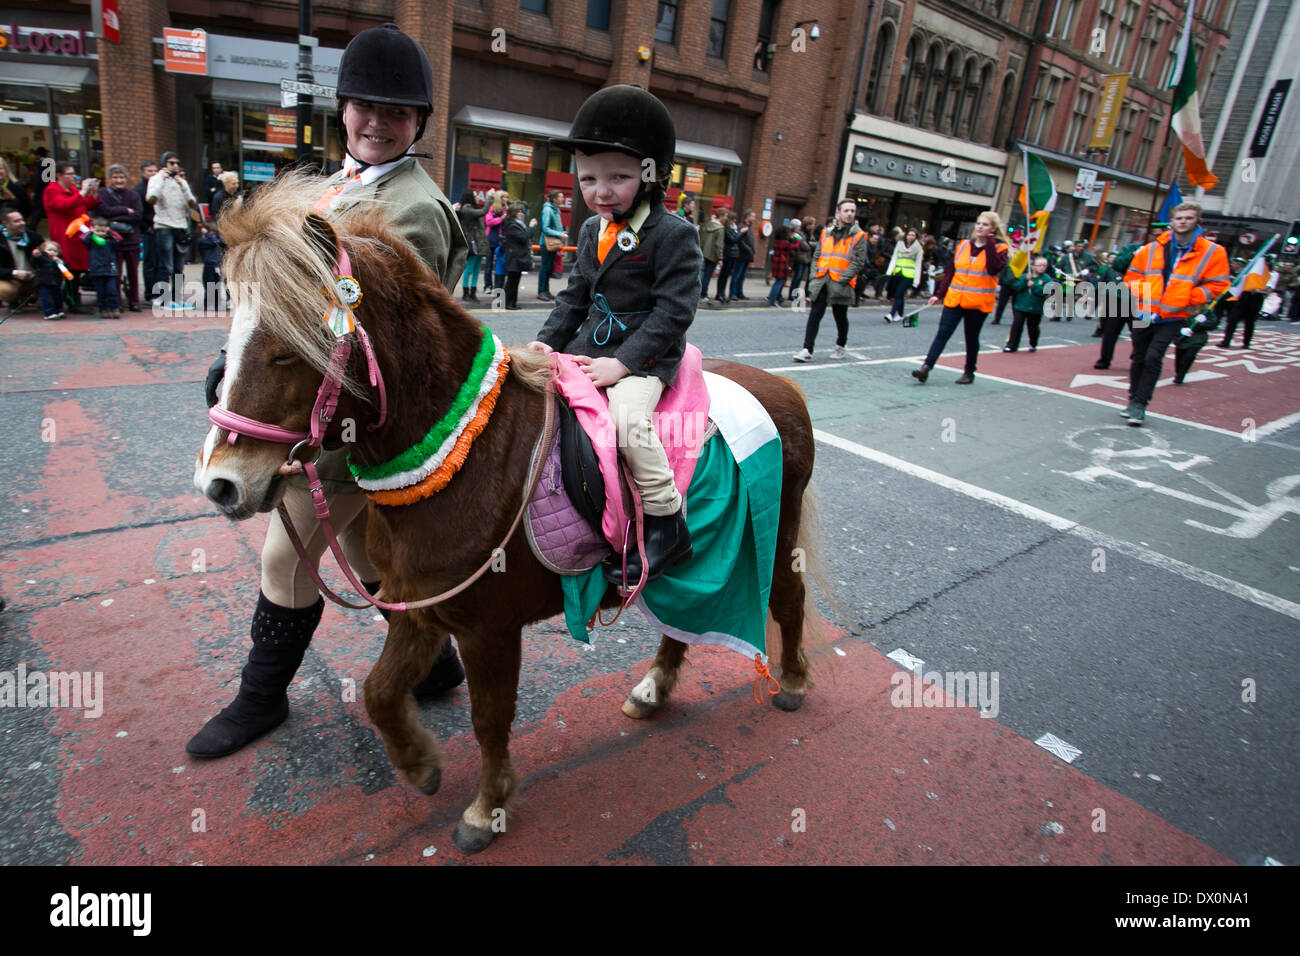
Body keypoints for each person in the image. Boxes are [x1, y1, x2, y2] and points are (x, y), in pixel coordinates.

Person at [188, 22, 469, 760]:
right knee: (361, 551)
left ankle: (259, 700)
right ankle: (437, 663)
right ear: (342, 106)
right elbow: (282, 303)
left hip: (347, 421)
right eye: (364, 105)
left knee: (286, 559)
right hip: (296, 403)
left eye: (397, 112)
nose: (377, 122)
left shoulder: (412, 209)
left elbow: (388, 345)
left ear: (419, 123)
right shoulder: (334, 185)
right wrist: (235, 364)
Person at [525, 83, 701, 584]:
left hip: (646, 357)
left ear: (651, 177)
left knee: (626, 418)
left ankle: (666, 521)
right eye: (588, 179)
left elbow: (673, 314)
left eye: (618, 177)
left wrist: (623, 365)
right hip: (589, 349)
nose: (600, 192)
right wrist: (547, 343)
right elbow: (574, 297)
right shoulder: (589, 231)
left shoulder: (674, 235)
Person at [1120, 201, 1229, 425]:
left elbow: (1218, 285)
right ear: (1172, 221)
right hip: (1144, 311)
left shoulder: (1213, 252)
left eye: (1189, 218)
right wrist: (1148, 295)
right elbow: (1131, 279)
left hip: (1174, 314)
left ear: (1197, 221)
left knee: (1153, 357)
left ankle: (1140, 404)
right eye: (1179, 218)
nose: (1183, 222)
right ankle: (1132, 400)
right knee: (1138, 356)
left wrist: (1188, 297)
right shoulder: (1151, 248)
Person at [911, 211, 1010, 385]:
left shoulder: (1000, 248)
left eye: (985, 224)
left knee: (971, 338)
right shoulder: (963, 245)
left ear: (993, 229)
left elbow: (994, 268)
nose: (980, 227)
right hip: (955, 299)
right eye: (979, 223)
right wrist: (938, 294)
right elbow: (950, 272)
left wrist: (990, 243)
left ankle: (969, 371)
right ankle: (926, 367)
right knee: (942, 334)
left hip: (977, 303)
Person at [792, 198, 866, 362]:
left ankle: (841, 345)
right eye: (846, 210)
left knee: (840, 316)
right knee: (815, 314)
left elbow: (858, 262)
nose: (849, 214)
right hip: (823, 280)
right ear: (838, 213)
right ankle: (807, 349)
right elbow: (817, 255)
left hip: (841, 282)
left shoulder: (859, 236)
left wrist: (844, 278)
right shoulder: (826, 232)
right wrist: (813, 276)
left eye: (852, 211)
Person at [42, 164, 100, 314]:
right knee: (68, 268)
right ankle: (72, 301)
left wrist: (93, 193)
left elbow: (88, 205)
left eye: (74, 173)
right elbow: (64, 206)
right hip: (65, 235)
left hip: (78, 235)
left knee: (78, 268)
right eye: (70, 173)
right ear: (59, 176)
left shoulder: (73, 190)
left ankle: (74, 299)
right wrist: (83, 192)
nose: (74, 176)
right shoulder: (51, 190)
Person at [146, 152, 198, 306]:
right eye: (171, 163)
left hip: (180, 226)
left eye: (177, 163)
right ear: (164, 165)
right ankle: (163, 297)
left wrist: (182, 185)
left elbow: (192, 202)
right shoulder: (156, 179)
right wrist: (162, 179)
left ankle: (176, 298)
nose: (175, 166)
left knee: (178, 267)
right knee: (165, 265)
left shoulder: (181, 181)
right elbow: (151, 198)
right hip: (164, 226)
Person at [95, 164, 144, 312]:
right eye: (115, 177)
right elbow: (103, 210)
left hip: (132, 240)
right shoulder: (103, 193)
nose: (119, 180)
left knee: (133, 274)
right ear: (110, 178)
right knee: (115, 273)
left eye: (121, 177)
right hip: (113, 241)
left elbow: (137, 215)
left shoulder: (133, 195)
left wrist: (115, 218)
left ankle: (134, 301)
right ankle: (116, 302)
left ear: (126, 178)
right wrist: (125, 210)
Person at [1220, 257, 1269, 349]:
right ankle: (1226, 341)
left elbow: (1268, 289)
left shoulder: (1267, 275)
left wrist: (1257, 288)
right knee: (1232, 320)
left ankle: (1246, 342)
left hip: (1256, 298)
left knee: (1249, 322)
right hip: (1243, 297)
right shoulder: (1247, 273)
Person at [1004, 256, 1050, 352]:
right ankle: (1011, 345)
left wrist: (1034, 286)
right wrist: (1025, 281)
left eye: (1044, 265)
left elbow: (1045, 292)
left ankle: (1033, 343)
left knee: (1033, 327)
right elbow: (1016, 287)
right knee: (1017, 325)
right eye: (1039, 265)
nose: (1042, 267)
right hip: (1021, 305)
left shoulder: (1046, 279)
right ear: (1032, 266)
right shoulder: (1025, 276)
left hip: (1035, 308)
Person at [0, 207, 43, 311]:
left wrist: (41, 256)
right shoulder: (1, 240)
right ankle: (13, 301)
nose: (22, 223)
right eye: (16, 221)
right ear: (6, 224)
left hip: (33, 276)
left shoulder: (33, 237)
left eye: (22, 220)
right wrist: (14, 273)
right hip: (10, 277)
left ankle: (38, 298)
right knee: (6, 290)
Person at [81, 216, 121, 318]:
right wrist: (91, 233)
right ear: (93, 229)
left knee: (112, 290)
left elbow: (119, 239)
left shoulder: (110, 240)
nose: (100, 233)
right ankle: (102, 309)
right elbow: (83, 239)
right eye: (98, 230)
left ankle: (115, 307)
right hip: (96, 269)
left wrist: (110, 232)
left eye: (103, 230)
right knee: (101, 291)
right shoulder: (90, 240)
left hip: (111, 268)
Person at [883, 227, 922, 323]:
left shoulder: (918, 249)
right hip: (898, 272)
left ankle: (891, 314)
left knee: (898, 294)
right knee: (899, 295)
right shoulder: (899, 245)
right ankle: (900, 314)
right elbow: (894, 258)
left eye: (913, 235)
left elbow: (918, 265)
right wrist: (889, 271)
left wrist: (916, 281)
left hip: (909, 275)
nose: (910, 237)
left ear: (916, 237)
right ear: (906, 235)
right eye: (909, 234)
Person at [455, 189, 487, 302]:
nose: (477, 197)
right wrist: (491, 199)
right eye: (475, 196)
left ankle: (473, 292)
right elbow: (483, 212)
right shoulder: (467, 209)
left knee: (476, 269)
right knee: (469, 268)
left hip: (479, 243)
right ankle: (466, 293)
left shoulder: (473, 209)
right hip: (472, 243)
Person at [502, 201, 533, 310]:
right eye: (519, 211)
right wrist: (531, 227)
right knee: (512, 282)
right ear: (514, 213)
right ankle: (508, 303)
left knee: (515, 281)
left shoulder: (517, 224)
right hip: (514, 257)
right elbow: (524, 238)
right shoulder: (512, 225)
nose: (521, 213)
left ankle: (512, 303)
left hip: (518, 257)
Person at [134, 161, 158, 300]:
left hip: (160, 229)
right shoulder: (139, 190)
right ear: (143, 173)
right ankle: (150, 293)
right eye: (150, 171)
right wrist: (146, 228)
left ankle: (159, 291)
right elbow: (139, 213)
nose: (153, 174)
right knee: (149, 263)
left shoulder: (159, 187)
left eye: (155, 171)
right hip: (148, 231)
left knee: (160, 264)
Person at [538, 189, 565, 301]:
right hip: (547, 244)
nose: (562, 199)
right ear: (554, 199)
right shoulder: (548, 210)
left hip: (553, 243)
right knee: (545, 268)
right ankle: (541, 291)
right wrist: (559, 234)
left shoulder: (555, 210)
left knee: (549, 268)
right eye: (560, 197)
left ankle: (546, 291)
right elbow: (545, 228)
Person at [32, 240, 67, 320]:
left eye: (55, 251)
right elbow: (34, 263)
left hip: (56, 283)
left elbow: (65, 267)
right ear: (43, 250)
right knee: (47, 298)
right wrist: (36, 256)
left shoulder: (58, 260)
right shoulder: (41, 258)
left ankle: (59, 311)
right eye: (49, 250)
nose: (52, 252)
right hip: (44, 282)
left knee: (58, 297)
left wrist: (62, 263)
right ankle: (49, 313)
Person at [484, 189, 506, 296]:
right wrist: (501, 219)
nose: (506, 199)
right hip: (491, 240)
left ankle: (498, 287)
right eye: (504, 197)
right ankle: (487, 285)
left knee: (499, 266)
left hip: (501, 241)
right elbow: (489, 222)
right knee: (489, 265)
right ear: (499, 199)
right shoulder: (492, 208)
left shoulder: (506, 209)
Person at [699, 207, 724, 301]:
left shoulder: (708, 224)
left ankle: (699, 292)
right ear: (721, 216)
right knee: (708, 275)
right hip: (712, 255)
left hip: (704, 252)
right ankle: (704, 293)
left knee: (701, 273)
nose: (726, 217)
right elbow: (719, 244)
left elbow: (702, 238)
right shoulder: (720, 228)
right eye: (725, 215)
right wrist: (720, 258)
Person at [731, 209, 755, 300]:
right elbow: (740, 241)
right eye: (752, 216)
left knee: (742, 276)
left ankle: (739, 293)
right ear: (747, 217)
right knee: (737, 274)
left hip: (747, 255)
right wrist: (748, 249)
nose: (754, 218)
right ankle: (733, 293)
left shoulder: (749, 227)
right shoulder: (742, 226)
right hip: (741, 255)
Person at [765, 224, 791, 306]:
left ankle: (770, 297)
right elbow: (794, 247)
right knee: (779, 282)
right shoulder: (786, 243)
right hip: (782, 263)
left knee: (777, 281)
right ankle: (772, 302)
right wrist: (797, 240)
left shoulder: (776, 241)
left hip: (776, 262)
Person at [196, 223, 225, 295]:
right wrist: (207, 234)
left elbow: (222, 242)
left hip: (217, 266)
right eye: (212, 233)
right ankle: (209, 304)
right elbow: (216, 242)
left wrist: (218, 233)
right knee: (209, 288)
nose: (213, 235)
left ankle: (217, 303)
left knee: (217, 288)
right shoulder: (202, 241)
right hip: (209, 266)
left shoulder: (214, 239)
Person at [788, 219, 811, 302]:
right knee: (797, 277)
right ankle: (792, 294)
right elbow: (804, 245)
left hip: (803, 257)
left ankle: (795, 294)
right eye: (798, 226)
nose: (799, 227)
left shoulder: (800, 233)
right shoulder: (795, 234)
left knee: (799, 277)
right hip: (799, 257)